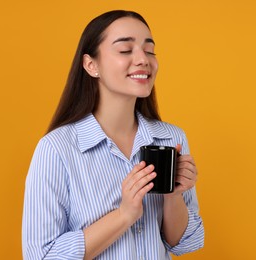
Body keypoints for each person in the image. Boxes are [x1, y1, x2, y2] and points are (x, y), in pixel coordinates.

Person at [22, 10, 204, 259]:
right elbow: (41, 256)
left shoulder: (172, 139)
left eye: (149, 50)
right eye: (125, 50)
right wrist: (124, 215)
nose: (143, 60)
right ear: (91, 65)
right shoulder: (57, 148)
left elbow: (184, 243)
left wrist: (174, 196)